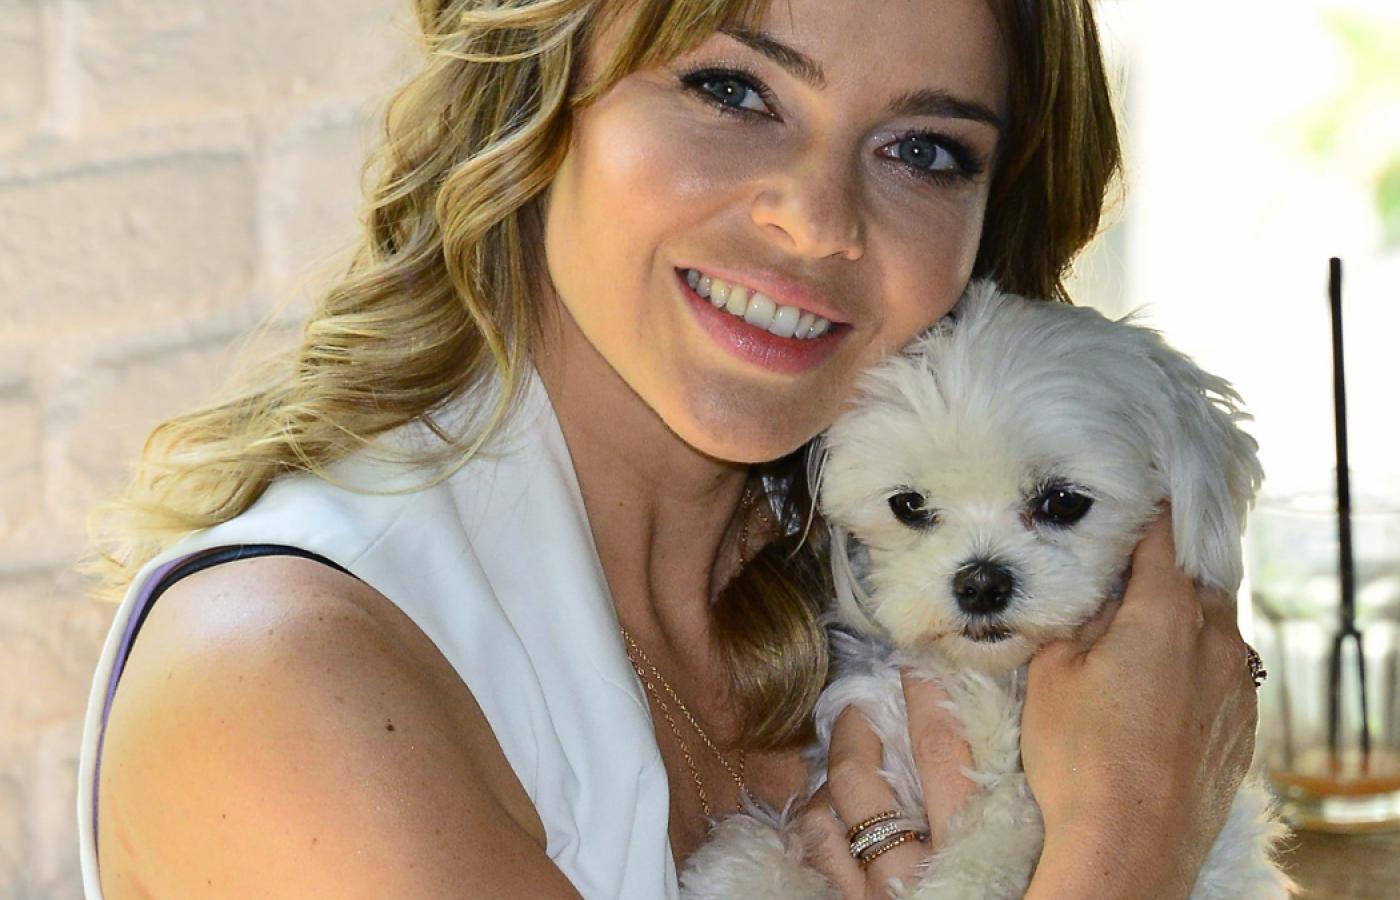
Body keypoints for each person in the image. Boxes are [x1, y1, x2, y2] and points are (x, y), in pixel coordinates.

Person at [74, 0, 1260, 897]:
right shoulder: (281, 681)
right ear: (539, 92)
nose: (816, 219)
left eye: (923, 150)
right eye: (732, 90)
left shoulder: (886, 555)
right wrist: (1124, 839)